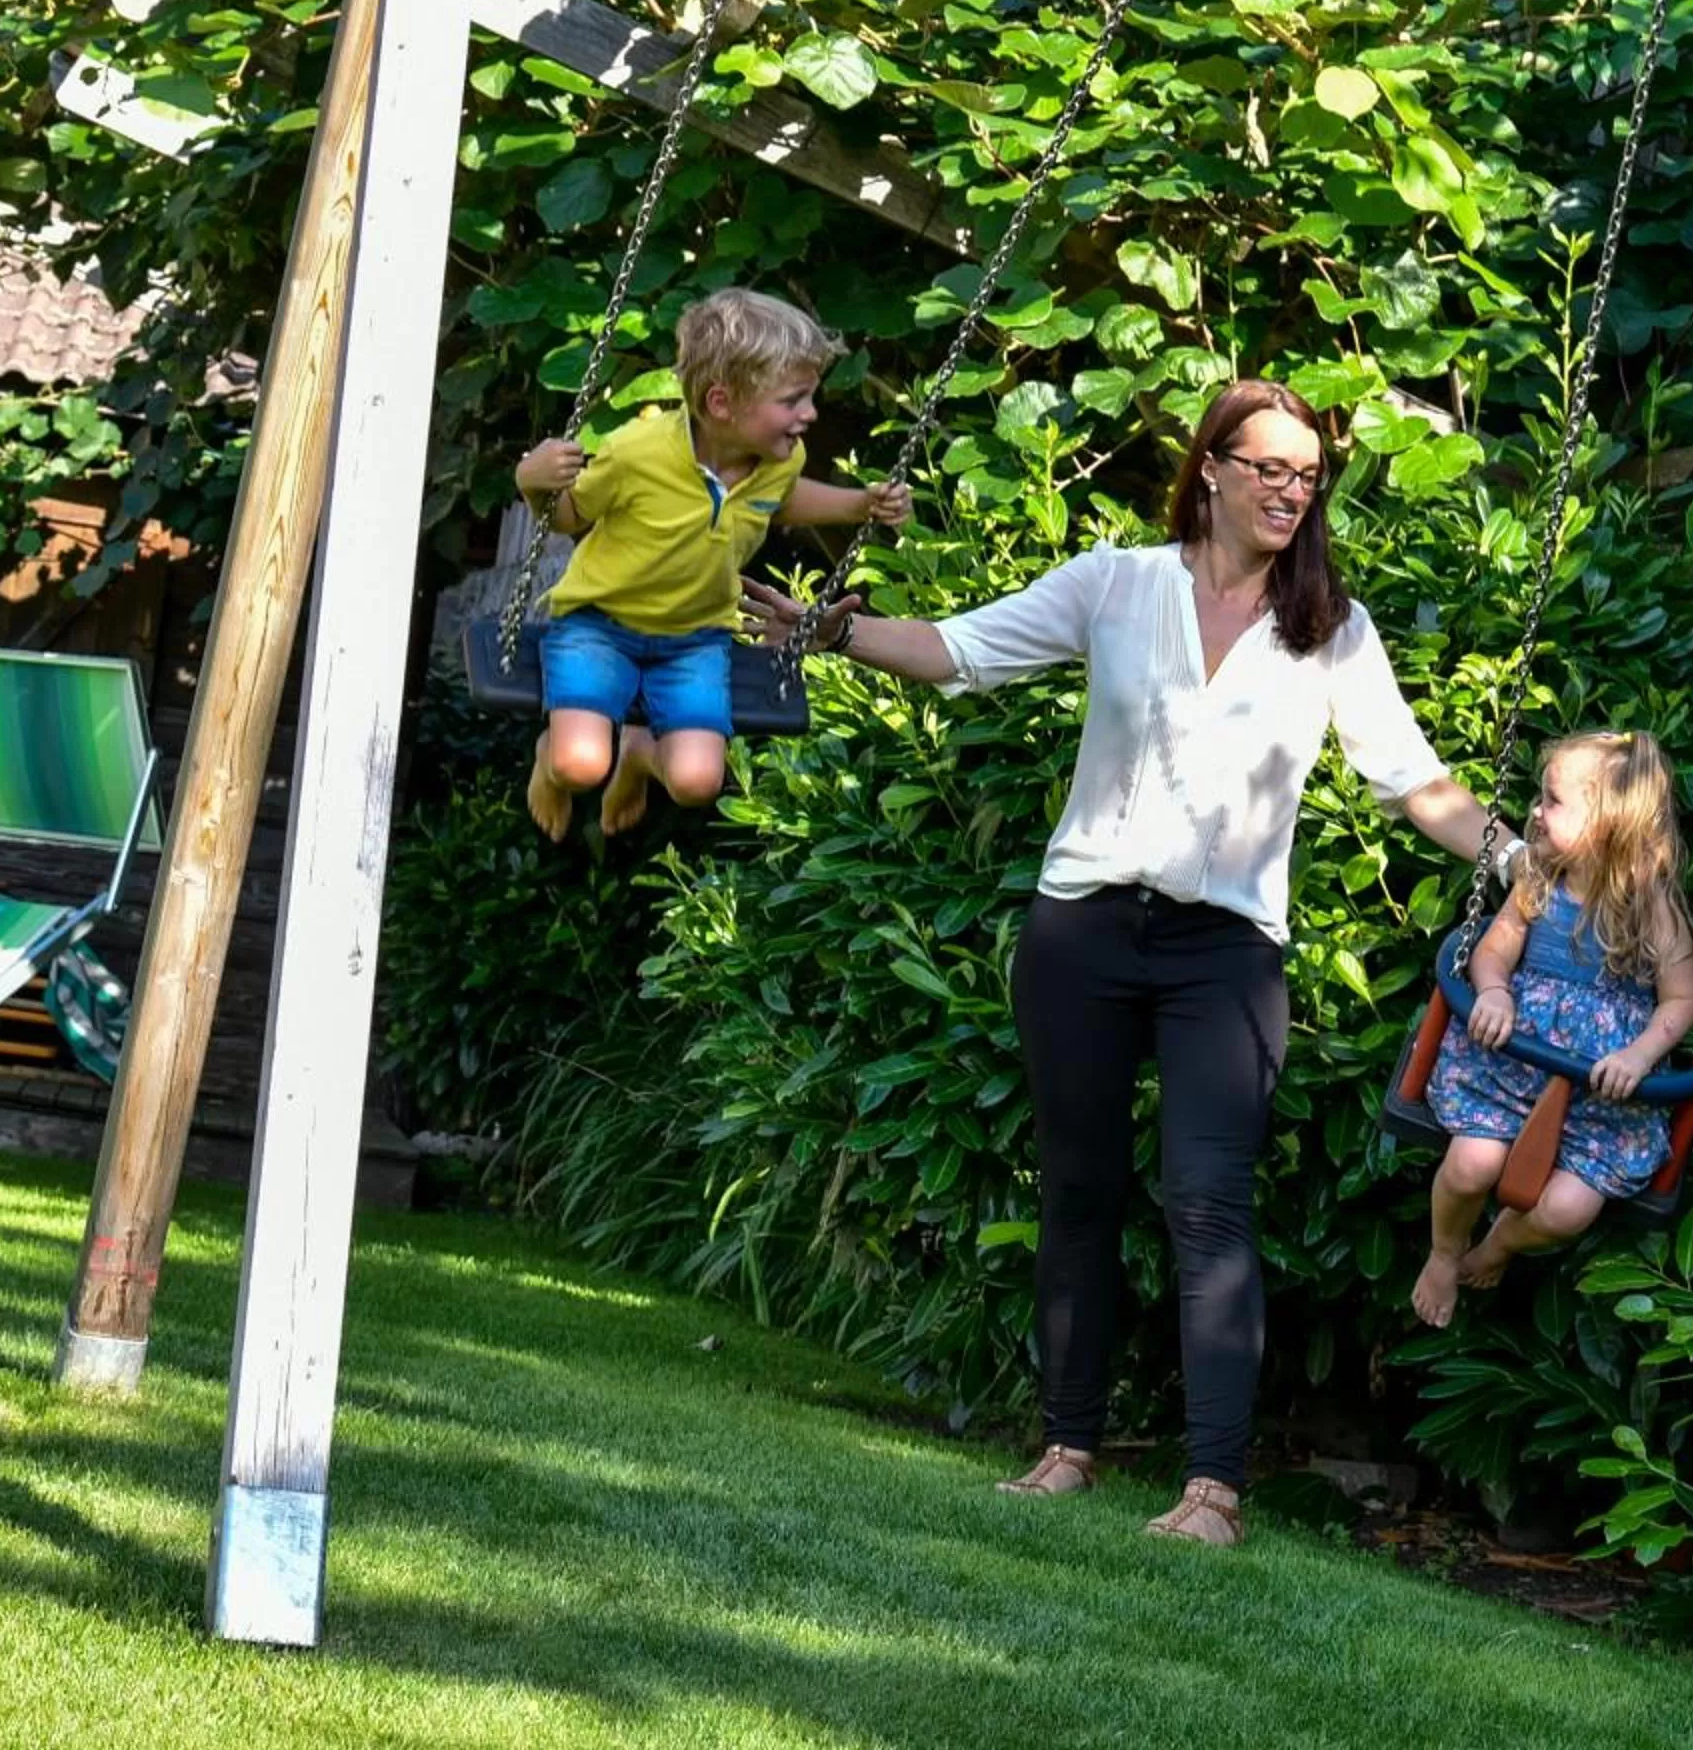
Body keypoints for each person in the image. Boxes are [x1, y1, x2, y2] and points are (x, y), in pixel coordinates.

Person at [742, 378, 1517, 1548]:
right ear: (1210, 467)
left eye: (1308, 477)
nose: (1290, 492)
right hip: (1083, 932)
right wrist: (830, 627)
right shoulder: (1116, 581)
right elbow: (960, 651)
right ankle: (1066, 1447)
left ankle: (1213, 1490)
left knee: (1210, 1202)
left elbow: (1415, 781)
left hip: (1227, 951)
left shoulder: (1328, 627)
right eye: (1269, 468)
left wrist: (1514, 852)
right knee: (1079, 1193)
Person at [511, 287, 909, 840]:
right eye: (793, 400)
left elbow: (784, 501)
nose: (809, 414)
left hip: (695, 639)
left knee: (696, 781)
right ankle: (549, 760)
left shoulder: (779, 458)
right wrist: (534, 484)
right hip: (599, 627)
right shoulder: (636, 451)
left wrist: (860, 504)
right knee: (579, 766)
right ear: (722, 405)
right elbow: (572, 514)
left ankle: (637, 754)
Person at [1409, 731, 1693, 1329]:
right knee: (1470, 1166)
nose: (1534, 813)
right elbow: (1491, 954)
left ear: (1608, 823)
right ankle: (1444, 1252)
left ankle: (1495, 1246)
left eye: (1552, 801)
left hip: (1601, 1100)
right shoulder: (1538, 881)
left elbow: (1680, 1001)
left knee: (1568, 1210)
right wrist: (1492, 991)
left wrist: (1642, 1054)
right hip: (1508, 1070)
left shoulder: (1653, 910)